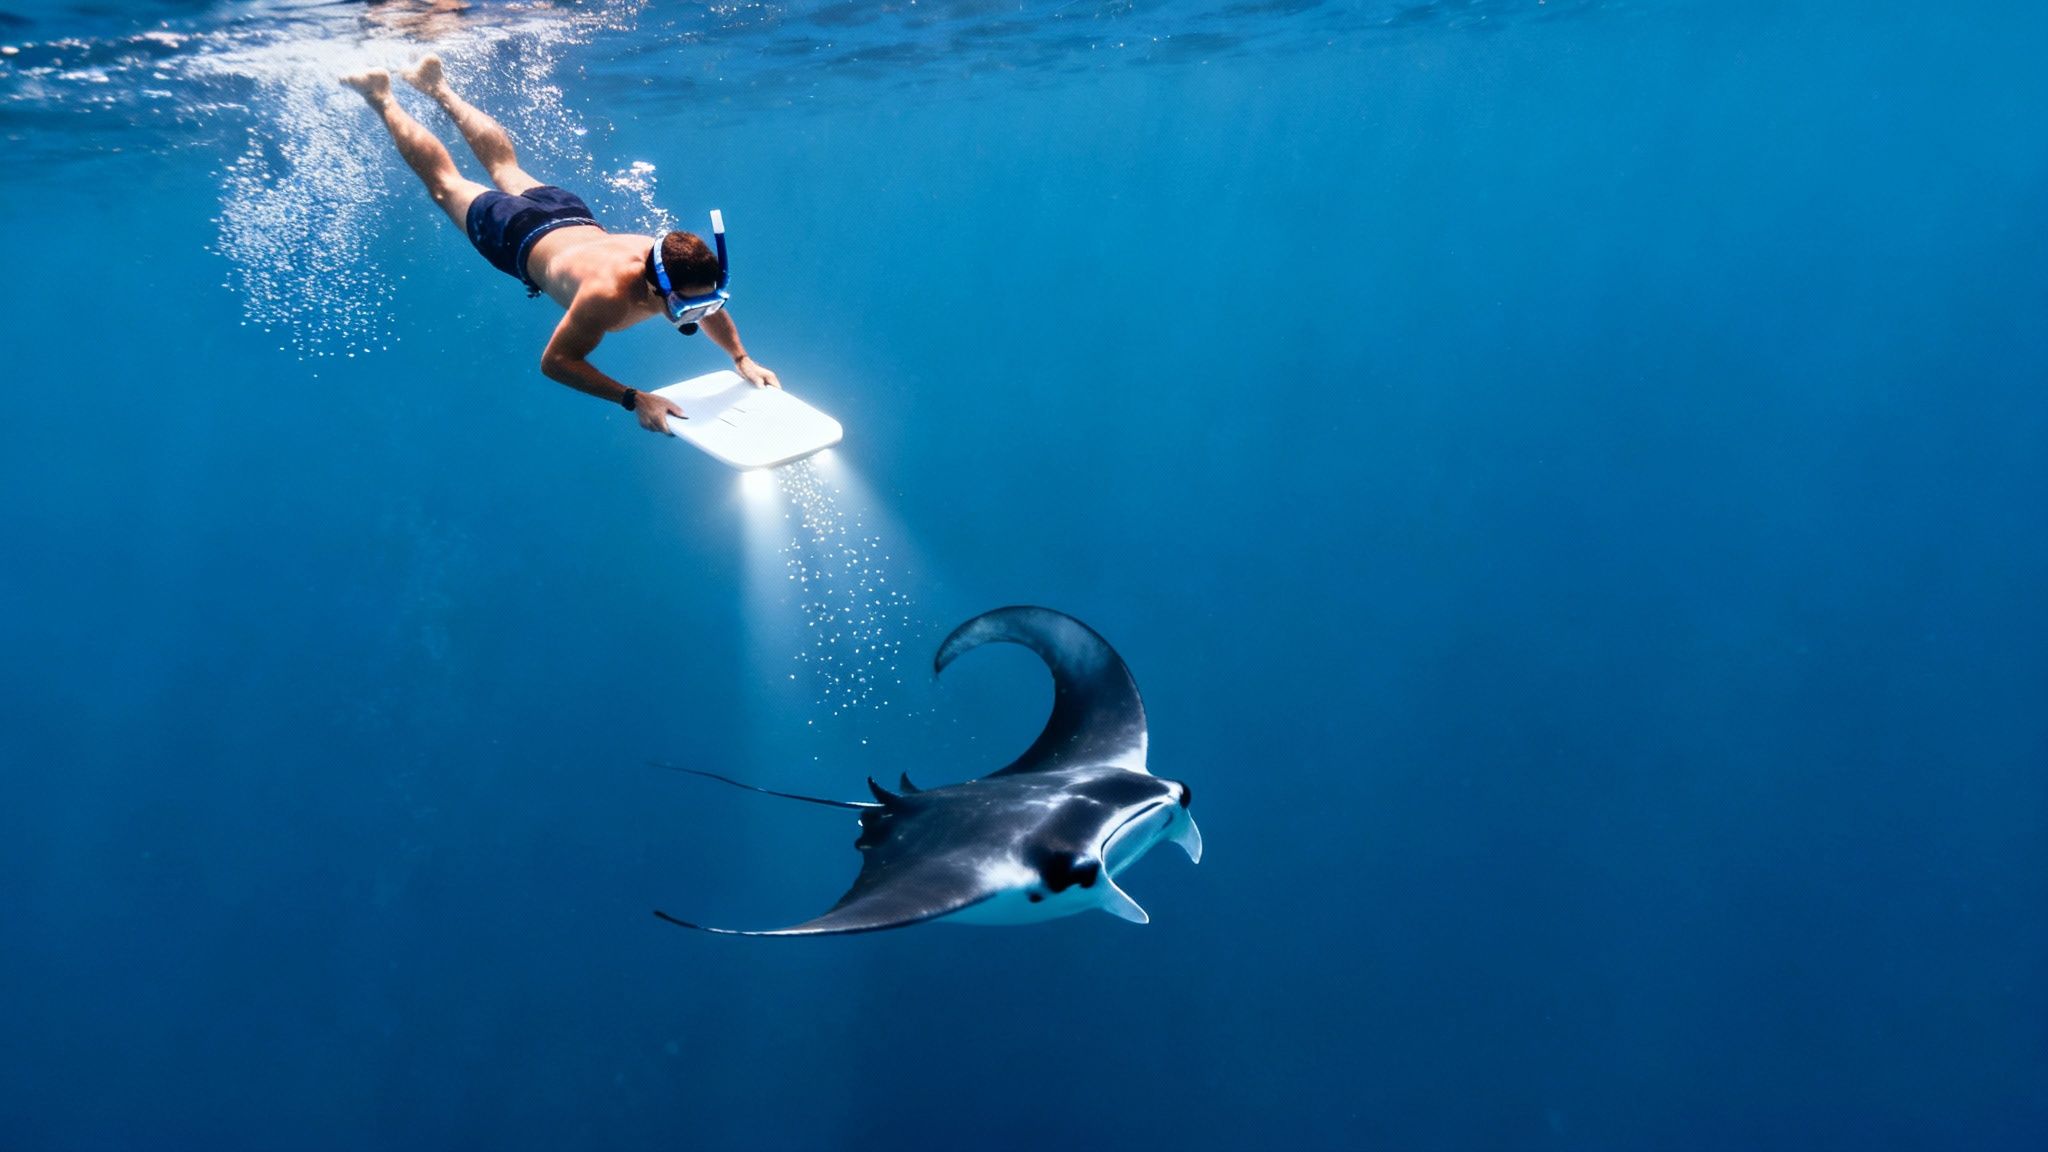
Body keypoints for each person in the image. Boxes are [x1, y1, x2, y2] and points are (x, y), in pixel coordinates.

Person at [339, 56, 780, 434]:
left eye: (710, 302)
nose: (699, 315)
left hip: (567, 212)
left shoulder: (679, 266)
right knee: (446, 184)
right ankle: (382, 96)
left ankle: (436, 86)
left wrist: (741, 358)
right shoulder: (604, 298)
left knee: (504, 165)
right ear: (652, 288)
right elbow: (555, 362)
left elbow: (710, 306)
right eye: (687, 310)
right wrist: (634, 398)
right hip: (516, 233)